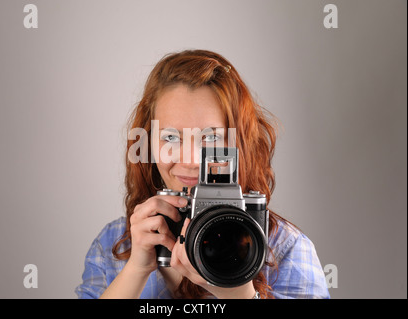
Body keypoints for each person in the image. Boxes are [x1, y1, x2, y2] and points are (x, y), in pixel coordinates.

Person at [75, 50, 330, 299]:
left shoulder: (285, 249)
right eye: (171, 137)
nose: (190, 160)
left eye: (210, 138)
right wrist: (137, 269)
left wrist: (239, 295)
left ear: (238, 144)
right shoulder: (114, 246)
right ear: (150, 143)